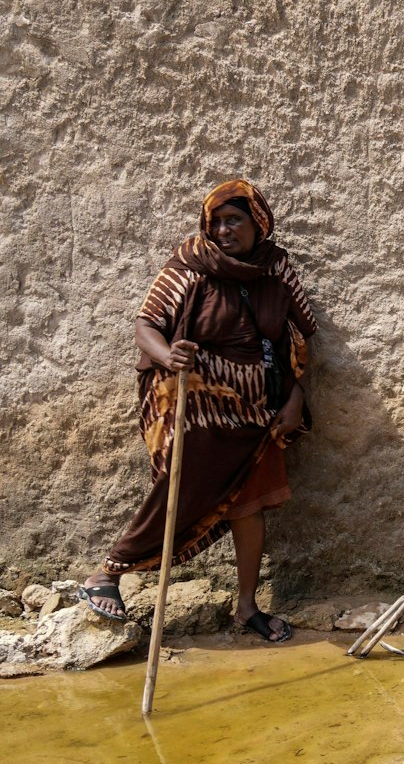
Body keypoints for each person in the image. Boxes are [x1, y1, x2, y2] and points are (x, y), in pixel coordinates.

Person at [74, 179, 318, 641]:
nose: (224, 230)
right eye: (216, 222)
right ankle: (107, 573)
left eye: (235, 220)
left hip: (256, 407)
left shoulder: (276, 268)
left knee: (249, 505)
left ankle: (247, 608)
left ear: (257, 223)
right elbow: (146, 324)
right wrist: (169, 356)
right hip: (194, 400)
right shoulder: (189, 263)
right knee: (183, 483)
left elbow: (300, 337)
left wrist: (296, 394)